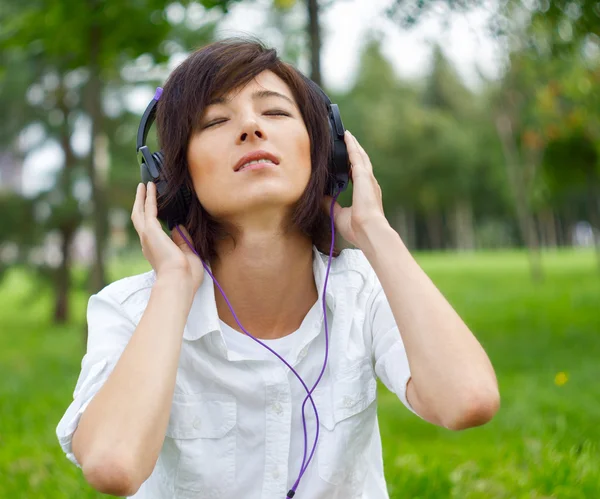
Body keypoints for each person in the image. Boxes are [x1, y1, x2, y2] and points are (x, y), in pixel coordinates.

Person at [56, 37, 500, 499]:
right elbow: (113, 464)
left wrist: (375, 232)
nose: (250, 127)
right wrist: (172, 285)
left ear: (325, 152)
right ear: (171, 173)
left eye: (275, 112)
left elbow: (467, 399)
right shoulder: (130, 310)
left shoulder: (362, 291)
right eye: (215, 120)